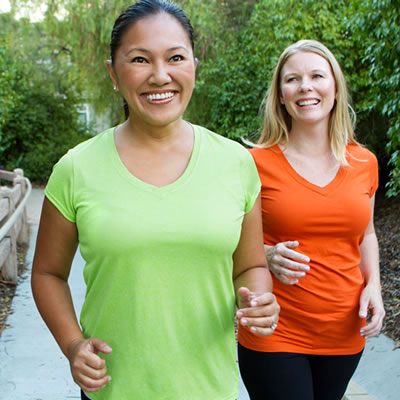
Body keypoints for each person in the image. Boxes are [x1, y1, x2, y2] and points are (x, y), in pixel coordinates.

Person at [31, 1, 279, 400]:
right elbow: (47, 274)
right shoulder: (76, 169)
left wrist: (259, 298)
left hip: (209, 389)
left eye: (175, 57)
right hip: (112, 391)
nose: (160, 75)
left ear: (194, 65)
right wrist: (73, 344)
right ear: (113, 73)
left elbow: (249, 265)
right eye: (140, 60)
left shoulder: (236, 163)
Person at [237, 40, 385, 400]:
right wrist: (267, 254)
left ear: (334, 89)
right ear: (281, 97)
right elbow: (226, 241)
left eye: (317, 75)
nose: (305, 86)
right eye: (293, 79)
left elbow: (365, 233)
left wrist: (374, 287)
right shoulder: (253, 164)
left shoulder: (364, 162)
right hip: (275, 328)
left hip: (344, 330)